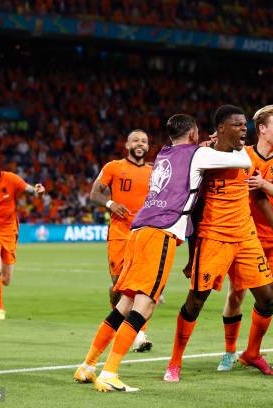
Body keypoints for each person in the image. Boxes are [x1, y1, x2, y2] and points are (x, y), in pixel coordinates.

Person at [74, 113, 253, 392]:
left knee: (124, 304)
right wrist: (229, 144)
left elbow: (188, 159)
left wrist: (206, 145)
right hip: (161, 232)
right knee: (144, 305)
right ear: (193, 133)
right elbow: (244, 161)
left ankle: (88, 365)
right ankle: (109, 373)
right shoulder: (199, 155)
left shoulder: (164, 153)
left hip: (137, 231)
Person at [164, 105, 273, 383]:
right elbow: (194, 205)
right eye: (238, 125)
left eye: (245, 125)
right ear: (222, 129)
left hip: (245, 236)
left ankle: (252, 353)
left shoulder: (248, 157)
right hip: (213, 237)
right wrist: (192, 257)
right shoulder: (204, 159)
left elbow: (258, 193)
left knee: (267, 298)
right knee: (196, 301)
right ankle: (174, 362)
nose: (244, 130)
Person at [217, 105, 273, 377]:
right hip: (245, 237)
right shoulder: (242, 155)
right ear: (262, 129)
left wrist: (263, 184)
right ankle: (230, 350)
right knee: (235, 294)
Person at [89, 129, 154, 352]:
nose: (140, 144)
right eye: (135, 140)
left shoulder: (155, 171)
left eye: (144, 141)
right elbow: (94, 194)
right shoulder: (113, 167)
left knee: (140, 288)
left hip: (144, 234)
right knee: (118, 286)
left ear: (148, 146)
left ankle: (140, 335)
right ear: (127, 144)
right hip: (119, 233)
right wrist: (110, 204)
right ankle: (117, 322)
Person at [0, 149, 45, 320]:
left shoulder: (10, 179)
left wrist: (38, 191)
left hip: (9, 231)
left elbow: (30, 190)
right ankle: (0, 309)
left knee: (6, 280)